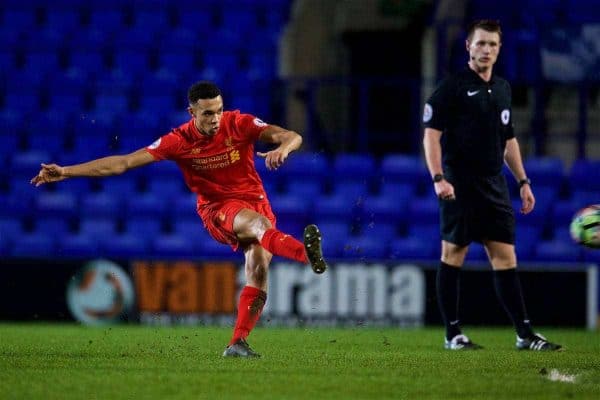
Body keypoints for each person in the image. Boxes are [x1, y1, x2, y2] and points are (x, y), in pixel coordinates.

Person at [31, 81, 327, 357]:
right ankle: (305, 254)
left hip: (256, 202)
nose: (216, 119)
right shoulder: (179, 140)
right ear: (192, 112)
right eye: (208, 113)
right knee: (260, 227)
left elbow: (291, 136)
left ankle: (237, 342)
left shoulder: (240, 123)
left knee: (259, 267)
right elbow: (123, 163)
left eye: (219, 111)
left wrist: (283, 148)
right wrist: (67, 171)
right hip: (219, 210)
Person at [422, 20, 561, 351]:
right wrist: (438, 178)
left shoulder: (502, 89)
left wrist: (523, 181)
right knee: (453, 253)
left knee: (505, 257)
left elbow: (508, 139)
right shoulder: (451, 88)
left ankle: (524, 334)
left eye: (492, 45)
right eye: (481, 43)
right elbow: (431, 137)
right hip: (459, 183)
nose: (486, 50)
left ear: (499, 49)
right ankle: (452, 334)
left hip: (494, 184)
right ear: (469, 46)